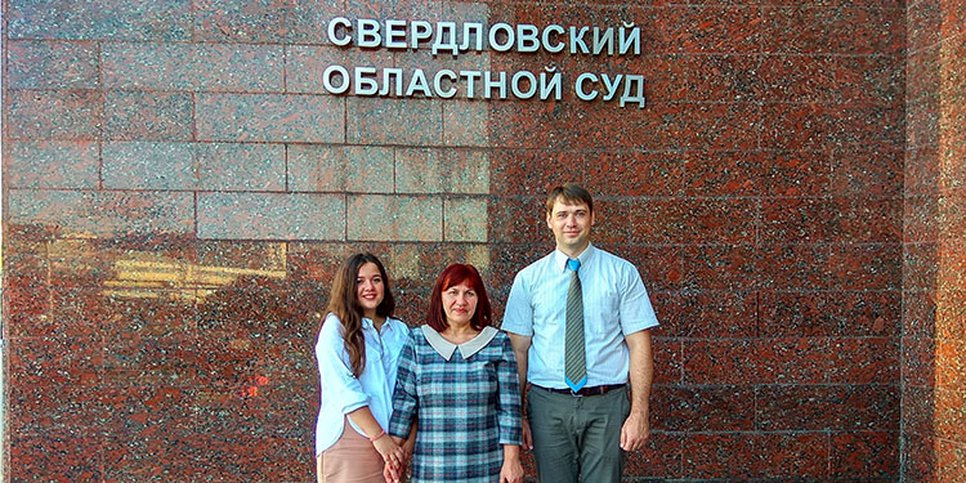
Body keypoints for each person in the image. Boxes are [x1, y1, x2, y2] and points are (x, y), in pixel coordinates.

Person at [502, 184, 660, 482]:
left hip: (607, 406)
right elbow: (518, 351)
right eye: (562, 214)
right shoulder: (528, 279)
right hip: (548, 407)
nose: (571, 222)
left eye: (579, 213)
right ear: (549, 220)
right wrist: (517, 416)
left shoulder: (622, 273)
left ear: (593, 218)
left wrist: (639, 412)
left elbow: (640, 345)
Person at [388, 263, 524, 483]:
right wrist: (392, 455)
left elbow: (509, 408)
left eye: (469, 293)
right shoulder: (418, 341)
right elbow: (405, 404)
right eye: (453, 292)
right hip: (432, 469)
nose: (461, 301)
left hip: (485, 467)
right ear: (440, 297)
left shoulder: (497, 342)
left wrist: (512, 460)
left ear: (479, 299)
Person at [314, 253, 410, 483]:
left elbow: (411, 389)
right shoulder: (335, 327)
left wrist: (401, 445)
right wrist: (378, 437)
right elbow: (344, 389)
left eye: (376, 280)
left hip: (394, 444)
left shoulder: (400, 331)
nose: (370, 287)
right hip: (351, 439)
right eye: (360, 281)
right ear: (347, 286)